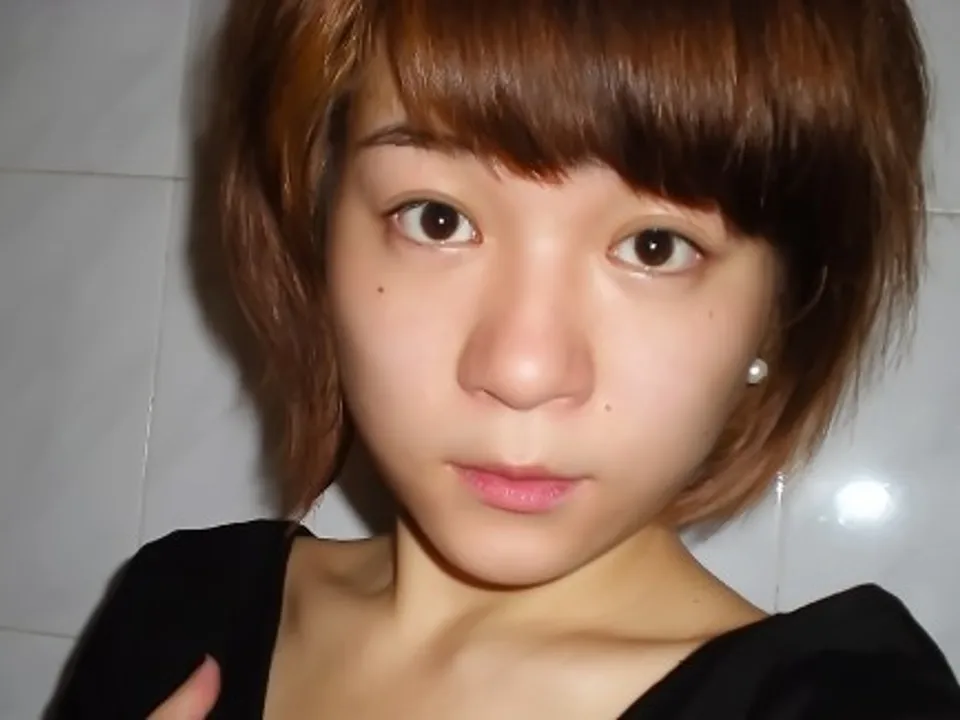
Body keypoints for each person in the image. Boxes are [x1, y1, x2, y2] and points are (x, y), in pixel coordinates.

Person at [48, 0, 960, 718]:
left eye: (654, 246)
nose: (522, 370)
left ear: (780, 314)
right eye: (438, 219)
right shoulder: (176, 613)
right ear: (320, 241)